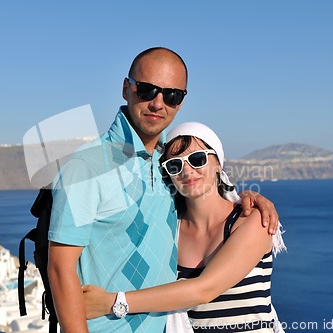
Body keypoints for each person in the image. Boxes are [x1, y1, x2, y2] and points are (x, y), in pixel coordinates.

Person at [47, 47, 280, 333]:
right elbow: (60, 268)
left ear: (181, 102)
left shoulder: (163, 163)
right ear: (125, 88)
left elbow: (206, 191)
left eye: (171, 95)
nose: (158, 103)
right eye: (146, 90)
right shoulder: (87, 165)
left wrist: (250, 199)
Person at [82, 122, 286, 332]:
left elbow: (204, 290)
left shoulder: (252, 220)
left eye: (197, 159)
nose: (187, 171)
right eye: (174, 165)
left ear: (218, 164)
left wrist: (113, 303)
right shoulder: (170, 229)